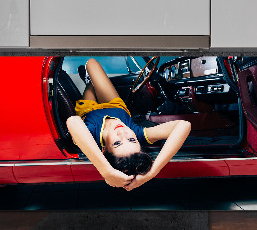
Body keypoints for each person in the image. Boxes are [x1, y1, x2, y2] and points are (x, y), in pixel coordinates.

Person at [65, 58, 191, 191]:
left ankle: (89, 82)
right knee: (92, 64)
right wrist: (153, 172)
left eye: (117, 143)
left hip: (89, 110)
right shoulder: (138, 133)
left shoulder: (91, 136)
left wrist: (105, 170)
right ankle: (90, 81)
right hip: (115, 105)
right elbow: (184, 125)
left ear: (103, 150)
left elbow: (73, 122)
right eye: (131, 140)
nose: (123, 132)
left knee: (90, 86)